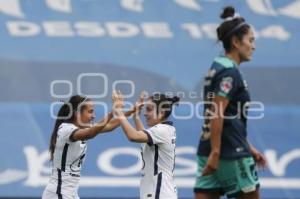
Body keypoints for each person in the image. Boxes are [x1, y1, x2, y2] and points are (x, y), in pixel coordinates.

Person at [194, 6, 267, 199]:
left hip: (207, 147)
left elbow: (229, 116)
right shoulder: (229, 73)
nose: (254, 46)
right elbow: (218, 112)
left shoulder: (216, 66)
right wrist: (217, 152)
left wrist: (249, 148)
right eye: (250, 40)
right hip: (228, 152)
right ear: (236, 42)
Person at [42, 95, 132, 199]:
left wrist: (129, 112)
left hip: (70, 193)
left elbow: (109, 126)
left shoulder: (81, 127)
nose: (93, 116)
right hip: (58, 193)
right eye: (90, 111)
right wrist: (113, 112)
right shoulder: (66, 129)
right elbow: (90, 134)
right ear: (77, 113)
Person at [112, 91, 179, 199]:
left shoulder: (161, 130)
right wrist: (136, 117)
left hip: (159, 193)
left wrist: (119, 111)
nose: (145, 113)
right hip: (162, 192)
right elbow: (144, 139)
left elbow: (132, 136)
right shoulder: (165, 130)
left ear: (161, 113)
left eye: (149, 109)